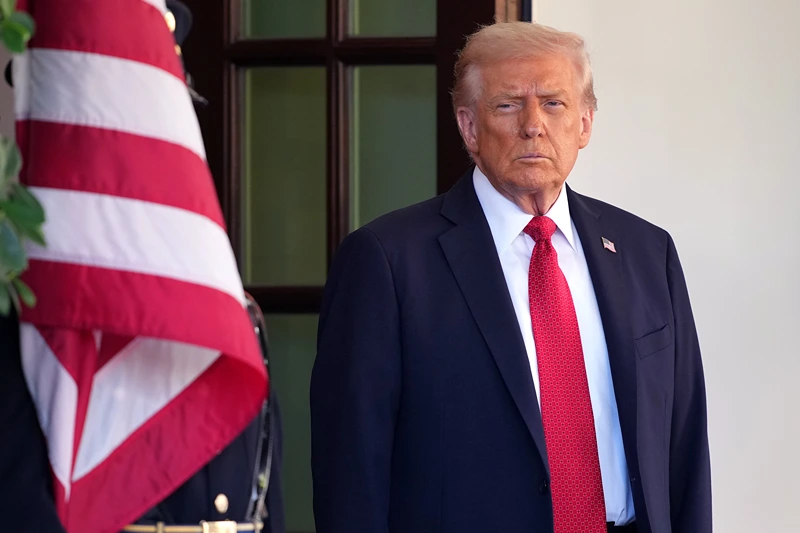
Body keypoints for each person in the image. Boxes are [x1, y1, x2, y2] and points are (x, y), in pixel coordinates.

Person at [311, 21, 711, 533]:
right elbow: (351, 474)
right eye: (506, 105)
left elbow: (685, 446)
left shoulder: (646, 252)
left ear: (585, 124)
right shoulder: (386, 262)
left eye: (553, 103)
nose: (532, 125)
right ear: (469, 127)